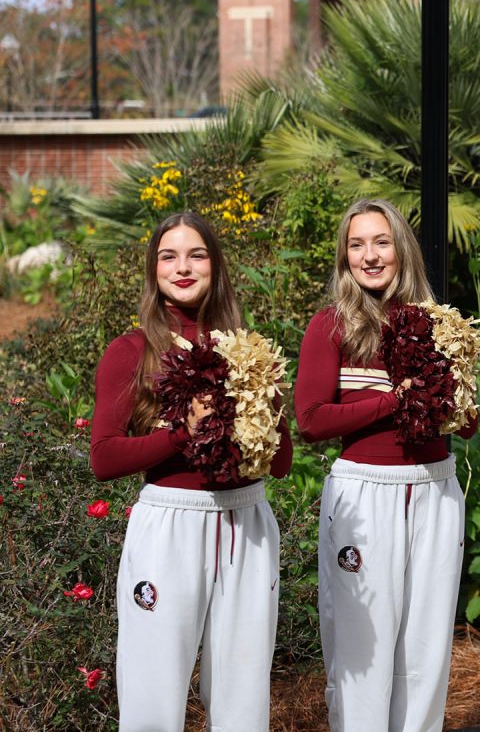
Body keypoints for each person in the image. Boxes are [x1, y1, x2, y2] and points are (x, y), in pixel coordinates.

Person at [90, 211, 293, 731]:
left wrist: (264, 411)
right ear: (153, 269)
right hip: (170, 524)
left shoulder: (247, 350)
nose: (183, 267)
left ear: (215, 266)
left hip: (247, 522)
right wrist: (186, 430)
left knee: (243, 692)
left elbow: (284, 461)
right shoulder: (133, 351)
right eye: (169, 256)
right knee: (154, 688)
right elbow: (104, 457)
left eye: (196, 254)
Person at [294, 198, 476, 732]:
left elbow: (464, 425)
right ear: (343, 257)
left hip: (435, 489)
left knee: (425, 648)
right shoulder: (332, 324)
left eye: (381, 242)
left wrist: (448, 390)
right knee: (362, 650)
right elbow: (310, 420)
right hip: (363, 494)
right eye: (356, 245)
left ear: (402, 249)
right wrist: (394, 399)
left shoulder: (437, 323)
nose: (370, 256)